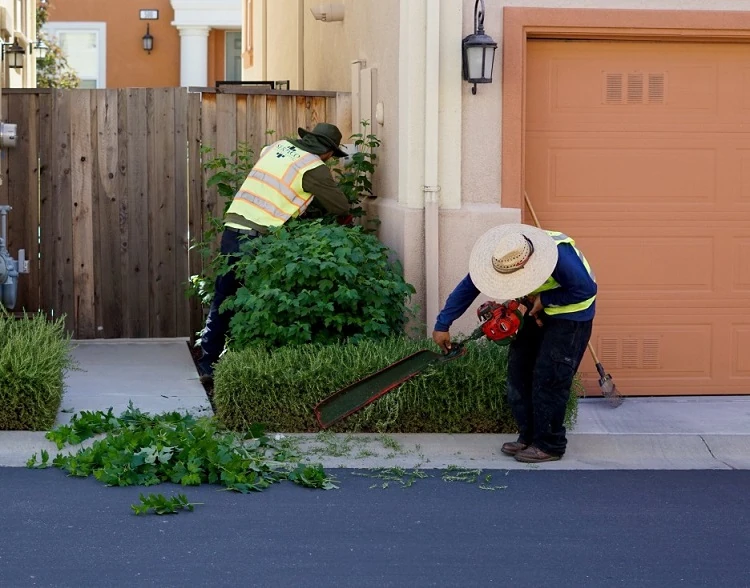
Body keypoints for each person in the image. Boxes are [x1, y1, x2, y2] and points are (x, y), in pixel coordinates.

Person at [197, 122, 352, 384]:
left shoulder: (277, 146)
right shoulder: (314, 168)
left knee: (225, 296)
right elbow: (339, 206)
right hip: (257, 237)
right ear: (327, 151)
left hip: (234, 225)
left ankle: (207, 364)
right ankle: (252, 366)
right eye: (332, 156)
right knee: (263, 301)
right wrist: (346, 222)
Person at [432, 223, 597, 463]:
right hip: (534, 311)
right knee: (519, 372)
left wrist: (546, 299)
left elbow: (586, 290)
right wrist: (443, 323)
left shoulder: (560, 255)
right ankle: (528, 437)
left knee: (549, 377)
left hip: (571, 317)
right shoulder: (500, 254)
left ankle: (549, 445)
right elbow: (469, 286)